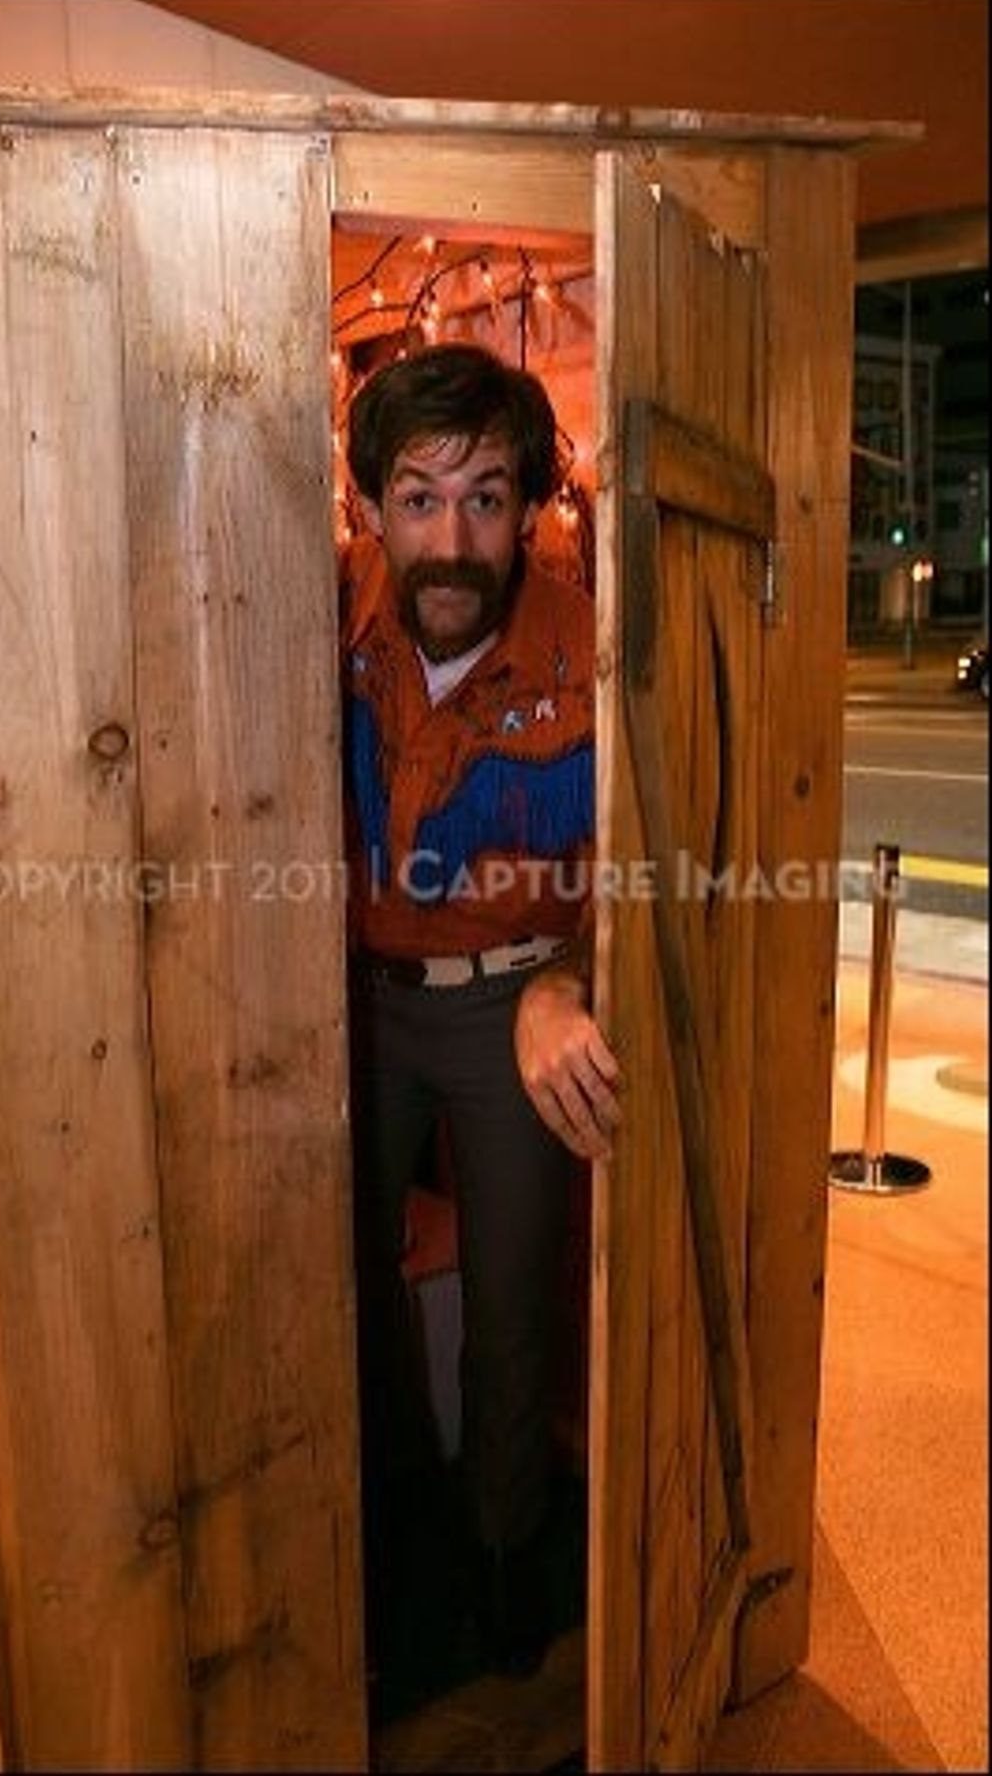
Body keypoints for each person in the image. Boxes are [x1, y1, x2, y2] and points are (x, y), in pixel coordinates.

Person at [339, 341, 622, 1685]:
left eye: (486, 498)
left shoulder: (588, 641)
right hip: (350, 1004)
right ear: (369, 508)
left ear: (529, 507)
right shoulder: (330, 612)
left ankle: (506, 1571)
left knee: (510, 1312)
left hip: (513, 1000)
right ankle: (386, 1546)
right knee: (336, 1292)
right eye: (419, 497)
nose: (451, 542)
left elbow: (664, 863)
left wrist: (572, 971)